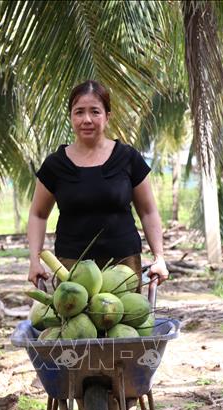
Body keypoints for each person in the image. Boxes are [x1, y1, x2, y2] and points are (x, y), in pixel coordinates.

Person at [27, 79, 169, 288]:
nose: (87, 119)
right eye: (79, 112)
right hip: (71, 267)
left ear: (107, 116)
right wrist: (34, 261)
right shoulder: (55, 165)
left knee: (125, 320)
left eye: (95, 111)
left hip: (123, 265)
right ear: (71, 117)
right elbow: (38, 214)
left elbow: (148, 212)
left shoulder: (128, 158)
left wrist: (159, 257)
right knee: (73, 322)